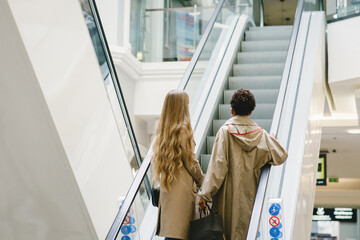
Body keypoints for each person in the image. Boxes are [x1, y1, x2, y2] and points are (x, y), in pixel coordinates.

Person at [198, 89, 288, 240]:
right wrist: (272, 140)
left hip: (227, 198)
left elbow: (217, 167)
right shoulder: (261, 134)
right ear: (251, 112)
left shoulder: (225, 132)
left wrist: (204, 194)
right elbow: (281, 155)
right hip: (250, 197)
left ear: (232, 110)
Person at [152, 90, 204, 240]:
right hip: (182, 190)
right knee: (179, 234)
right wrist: (203, 181)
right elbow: (191, 161)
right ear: (182, 107)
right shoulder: (182, 129)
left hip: (168, 189)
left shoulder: (164, 130)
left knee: (173, 233)